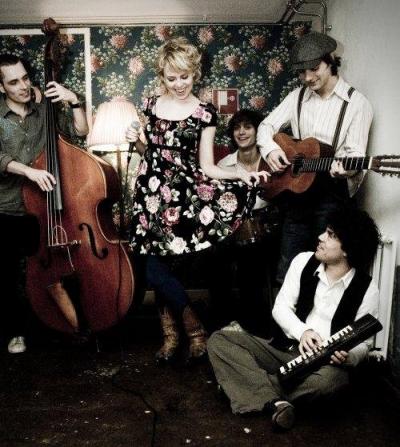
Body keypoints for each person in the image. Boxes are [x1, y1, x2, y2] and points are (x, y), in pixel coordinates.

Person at [126, 37, 268, 364]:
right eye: (171, 78)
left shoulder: (205, 113)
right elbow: (151, 154)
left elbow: (207, 166)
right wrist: (136, 141)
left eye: (185, 76)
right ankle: (183, 330)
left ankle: (185, 332)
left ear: (195, 73)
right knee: (150, 264)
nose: (179, 84)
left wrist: (240, 174)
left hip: (184, 197)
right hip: (150, 195)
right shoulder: (150, 105)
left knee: (163, 266)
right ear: (162, 77)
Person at [208, 207, 380, 431]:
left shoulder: (367, 289)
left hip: (323, 367)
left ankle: (252, 388)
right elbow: (280, 308)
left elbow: (365, 344)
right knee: (220, 340)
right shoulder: (303, 261)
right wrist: (303, 332)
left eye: (330, 235)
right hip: (284, 351)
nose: (321, 237)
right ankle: (270, 397)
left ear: (348, 249)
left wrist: (349, 357)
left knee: (332, 382)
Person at [257, 31, 373, 283]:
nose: (308, 78)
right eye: (302, 72)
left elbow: (355, 154)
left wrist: (348, 169)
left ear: (330, 61)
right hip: (297, 197)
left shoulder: (357, 104)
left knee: (325, 272)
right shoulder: (296, 97)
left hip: (331, 197)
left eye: (314, 69)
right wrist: (271, 150)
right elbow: (265, 126)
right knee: (288, 270)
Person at [0, 54, 89, 354]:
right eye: (14, 82)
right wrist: (28, 171)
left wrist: (73, 100)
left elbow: (80, 131)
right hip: (7, 206)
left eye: (25, 78)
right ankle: (15, 332)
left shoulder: (44, 111)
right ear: (1, 87)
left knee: (46, 269)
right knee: (8, 275)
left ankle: (54, 326)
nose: (23, 86)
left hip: (42, 207)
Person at [208, 109, 279, 337]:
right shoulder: (224, 164)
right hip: (235, 228)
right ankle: (222, 324)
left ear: (258, 132)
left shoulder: (271, 160)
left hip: (269, 228)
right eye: (237, 128)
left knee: (251, 261)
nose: (241, 132)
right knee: (215, 258)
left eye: (247, 127)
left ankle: (255, 327)